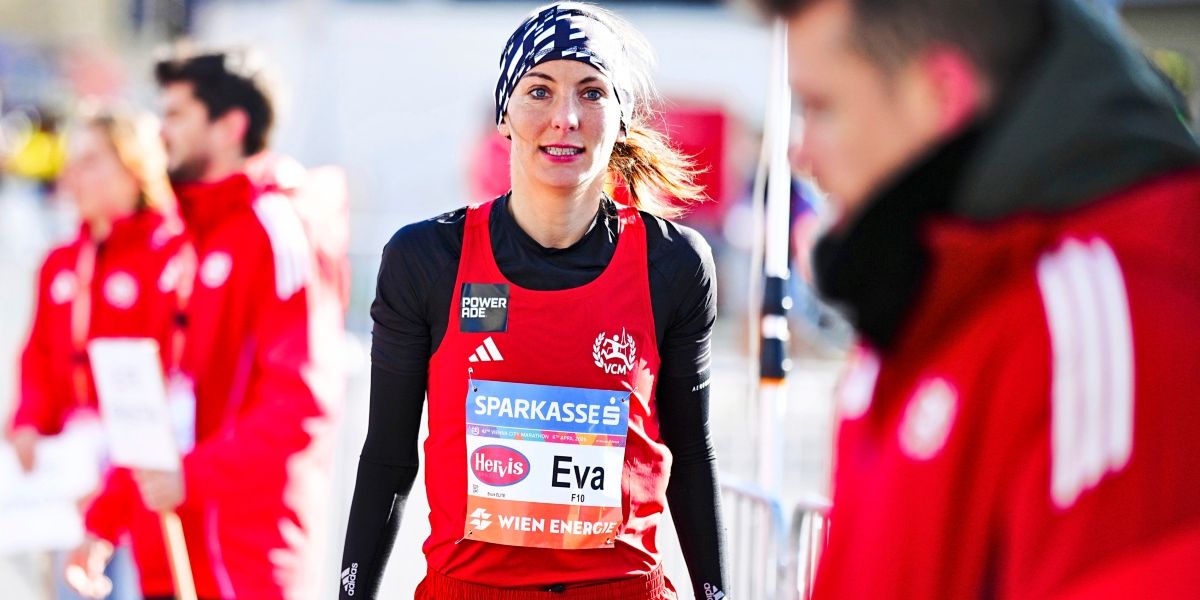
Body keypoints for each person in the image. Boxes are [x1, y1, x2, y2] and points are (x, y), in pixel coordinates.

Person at [755, 0, 1200, 598]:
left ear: (940, 93)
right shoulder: (924, 291)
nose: (800, 154)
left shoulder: (1100, 324)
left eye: (820, 108)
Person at [339, 3, 728, 599]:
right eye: (539, 91)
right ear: (505, 114)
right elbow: (388, 457)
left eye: (592, 93)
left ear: (621, 118)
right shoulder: (427, 259)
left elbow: (692, 456)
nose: (565, 119)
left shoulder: (672, 263)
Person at [69, 48, 342, 600]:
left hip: (246, 558)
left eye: (175, 115)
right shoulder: (186, 236)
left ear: (229, 126)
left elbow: (301, 406)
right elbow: (160, 401)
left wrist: (191, 478)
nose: (158, 132)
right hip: (172, 551)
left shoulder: (278, 228)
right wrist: (105, 520)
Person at [7, 107, 186, 600]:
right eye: (73, 161)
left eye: (90, 161)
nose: (72, 175)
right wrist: (27, 422)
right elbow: (38, 356)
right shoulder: (61, 262)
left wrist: (115, 463)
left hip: (145, 482)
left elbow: (174, 380)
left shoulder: (171, 255)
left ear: (133, 168)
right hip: (70, 480)